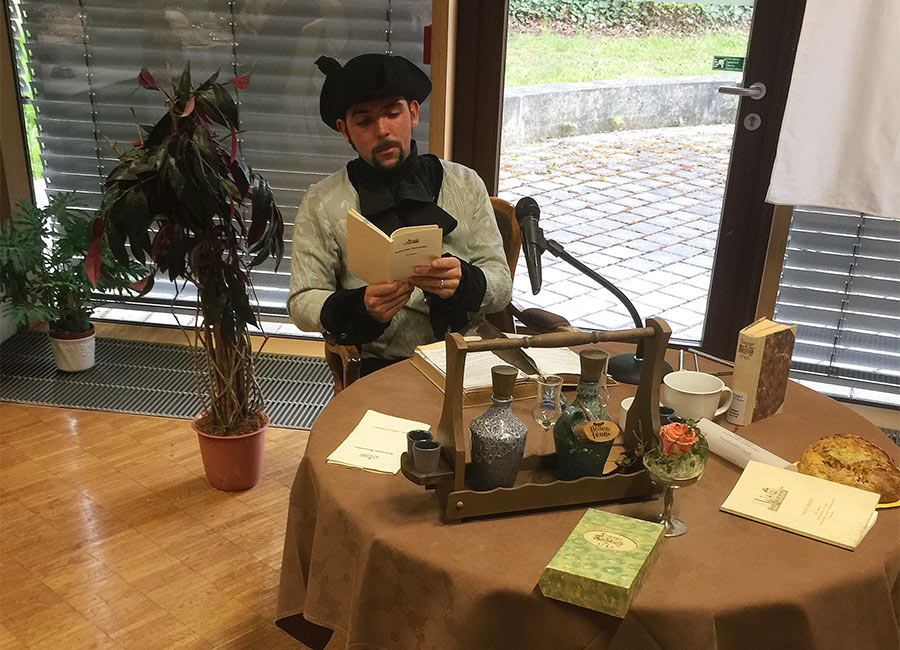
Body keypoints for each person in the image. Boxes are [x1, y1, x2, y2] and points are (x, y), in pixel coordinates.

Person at [287, 53, 512, 375]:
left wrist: (465, 282)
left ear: (413, 113)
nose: (382, 130)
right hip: (380, 366)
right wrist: (360, 305)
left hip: (465, 359)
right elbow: (301, 302)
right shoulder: (322, 201)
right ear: (344, 130)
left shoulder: (465, 183)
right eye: (364, 121)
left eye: (392, 113)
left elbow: (501, 285)